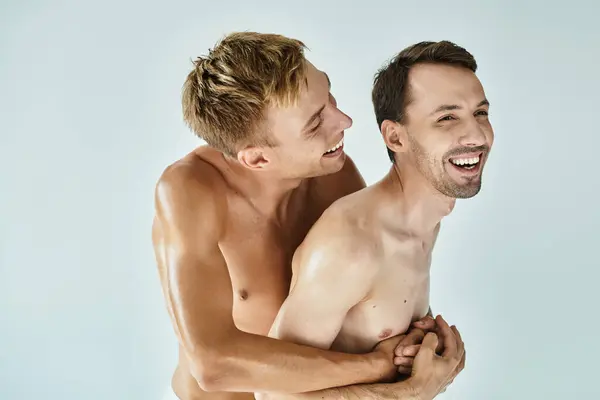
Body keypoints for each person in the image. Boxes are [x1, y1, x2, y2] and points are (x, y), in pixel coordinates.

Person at [152, 31, 464, 400]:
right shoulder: (191, 192)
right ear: (258, 158)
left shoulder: (335, 174)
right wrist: (379, 369)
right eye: (315, 123)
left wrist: (419, 346)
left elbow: (370, 299)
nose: (344, 120)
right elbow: (213, 364)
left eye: (329, 95)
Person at [259, 40, 493, 399]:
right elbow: (272, 395)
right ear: (395, 136)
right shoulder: (350, 246)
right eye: (447, 118)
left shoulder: (427, 216)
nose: (477, 135)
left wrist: (425, 348)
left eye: (480, 113)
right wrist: (412, 392)